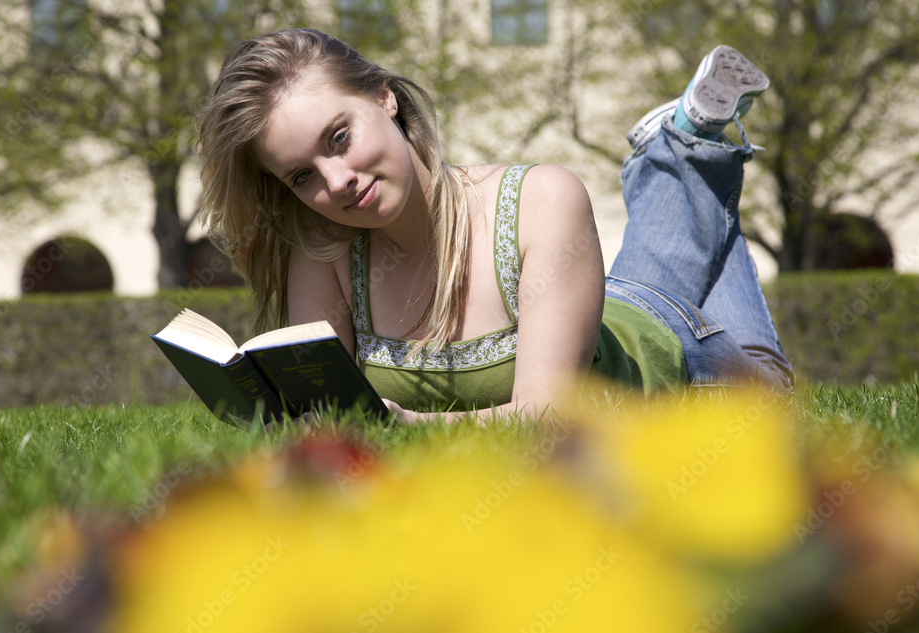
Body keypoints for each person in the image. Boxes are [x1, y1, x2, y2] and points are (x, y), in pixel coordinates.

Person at [196, 29, 792, 424]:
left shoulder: (541, 199)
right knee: (697, 216)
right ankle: (693, 147)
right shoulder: (325, 253)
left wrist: (406, 426)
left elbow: (547, 421)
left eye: (339, 138)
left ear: (384, 98)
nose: (338, 181)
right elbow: (330, 425)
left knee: (775, 396)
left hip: (668, 345)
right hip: (575, 307)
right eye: (302, 176)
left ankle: (683, 152)